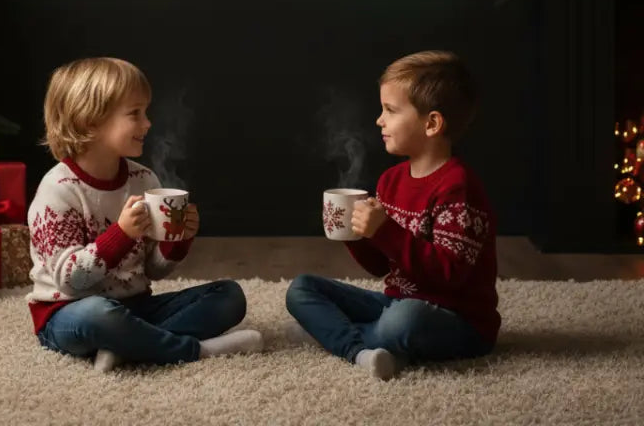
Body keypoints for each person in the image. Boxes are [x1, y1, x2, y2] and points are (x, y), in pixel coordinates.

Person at [27, 56, 262, 371]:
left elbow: (152, 270)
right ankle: (194, 350)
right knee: (98, 314)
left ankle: (129, 344)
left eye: (145, 112)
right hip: (68, 313)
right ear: (90, 122)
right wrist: (121, 235)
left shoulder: (144, 179)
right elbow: (71, 281)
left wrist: (176, 241)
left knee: (229, 296)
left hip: (136, 307)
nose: (147, 123)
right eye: (134, 114)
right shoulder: (58, 190)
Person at [286, 51, 500, 380]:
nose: (379, 120)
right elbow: (381, 267)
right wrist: (357, 234)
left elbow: (449, 276)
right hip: (397, 302)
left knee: (404, 321)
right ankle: (361, 345)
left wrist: (384, 231)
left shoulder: (459, 187)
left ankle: (334, 336)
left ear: (432, 124)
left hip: (457, 320)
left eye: (390, 110)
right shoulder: (391, 180)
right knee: (302, 289)